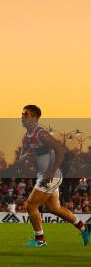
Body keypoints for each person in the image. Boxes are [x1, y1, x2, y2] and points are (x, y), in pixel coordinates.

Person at [19, 104, 90, 247]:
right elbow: (23, 155)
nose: (21, 117)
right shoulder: (26, 137)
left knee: (31, 206)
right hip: (43, 175)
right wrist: (25, 156)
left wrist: (51, 172)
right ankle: (83, 227)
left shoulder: (41, 134)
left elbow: (60, 150)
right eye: (22, 114)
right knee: (54, 208)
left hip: (51, 175)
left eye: (25, 114)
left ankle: (40, 240)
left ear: (33, 116)